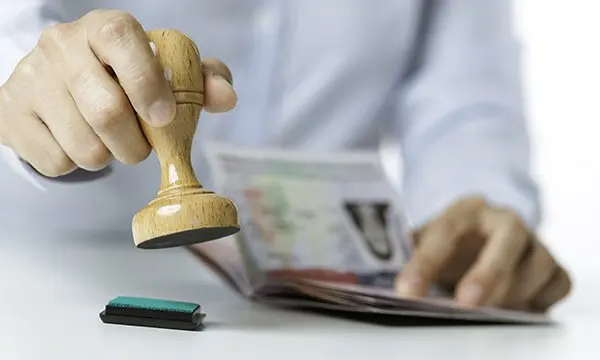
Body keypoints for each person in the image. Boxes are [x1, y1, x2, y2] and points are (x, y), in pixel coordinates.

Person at [0, 0, 572, 312]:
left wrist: (472, 205)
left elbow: (464, 97)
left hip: (323, 296)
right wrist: (31, 87)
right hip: (60, 289)